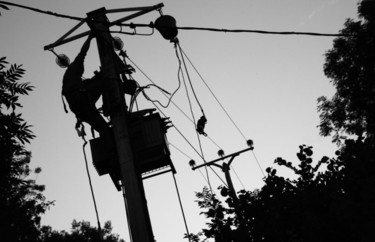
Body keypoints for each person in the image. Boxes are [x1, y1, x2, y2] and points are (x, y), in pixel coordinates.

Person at [62, 34, 112, 145]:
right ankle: (108, 107)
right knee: (105, 81)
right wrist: (89, 38)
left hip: (81, 111)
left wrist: (96, 77)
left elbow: (89, 83)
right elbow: (83, 52)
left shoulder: (72, 80)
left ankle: (112, 151)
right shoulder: (75, 67)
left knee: (104, 130)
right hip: (83, 101)